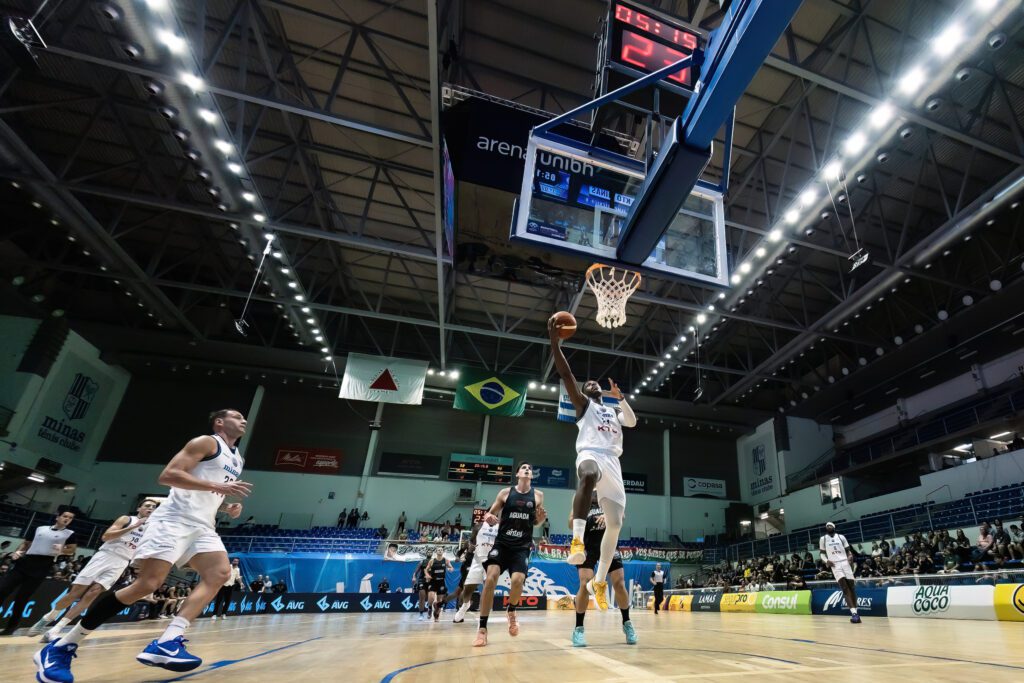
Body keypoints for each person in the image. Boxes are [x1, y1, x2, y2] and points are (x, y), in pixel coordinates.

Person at [35, 408, 251, 682]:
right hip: (173, 520)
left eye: (244, 418)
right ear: (220, 422)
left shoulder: (238, 459)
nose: (243, 420)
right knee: (147, 585)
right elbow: (168, 476)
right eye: (236, 416)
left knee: (219, 574)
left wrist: (228, 506)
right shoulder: (206, 442)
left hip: (203, 525)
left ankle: (168, 641)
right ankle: (63, 644)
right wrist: (216, 487)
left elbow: (208, 495)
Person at [548, 314, 637, 611]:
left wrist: (621, 398)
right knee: (586, 473)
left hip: (613, 464)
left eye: (593, 382)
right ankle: (576, 542)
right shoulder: (584, 407)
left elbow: (633, 421)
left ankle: (599, 581)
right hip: (590, 454)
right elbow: (566, 375)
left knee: (615, 523)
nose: (590, 383)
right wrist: (554, 343)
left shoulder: (612, 412)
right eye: (587, 383)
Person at [30, 500, 158, 641]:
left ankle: (55, 630)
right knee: (75, 593)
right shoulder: (127, 519)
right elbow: (106, 537)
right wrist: (133, 527)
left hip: (122, 562)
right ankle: (48, 617)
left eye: (153, 507)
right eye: (147, 506)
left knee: (93, 593)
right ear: (139, 508)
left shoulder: (152, 529)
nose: (150, 508)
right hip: (105, 555)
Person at [472, 462, 546, 647]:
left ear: (531, 476)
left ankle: (511, 610)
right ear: (518, 474)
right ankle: (482, 629)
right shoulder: (505, 493)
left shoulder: (538, 495)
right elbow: (489, 515)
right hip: (502, 544)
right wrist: (488, 517)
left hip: (521, 547)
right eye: (524, 468)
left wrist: (540, 520)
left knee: (517, 581)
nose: (527, 469)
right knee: (490, 580)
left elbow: (534, 522)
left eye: (530, 468)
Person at [571, 490, 636, 647]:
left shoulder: (609, 490)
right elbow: (569, 522)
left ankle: (627, 623)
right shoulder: (581, 494)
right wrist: (584, 519)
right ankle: (578, 629)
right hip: (588, 545)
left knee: (619, 582)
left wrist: (608, 517)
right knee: (584, 584)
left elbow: (623, 516)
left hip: (609, 542)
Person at [0, 510, 78, 636]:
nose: (67, 519)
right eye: (65, 516)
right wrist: (17, 552)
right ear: (57, 517)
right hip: (26, 561)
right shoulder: (40, 529)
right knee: (2, 590)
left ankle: (12, 626)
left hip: (43, 565)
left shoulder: (70, 534)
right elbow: (25, 543)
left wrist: (62, 550)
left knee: (22, 598)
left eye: (70, 518)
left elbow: (72, 550)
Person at [453, 519, 498, 624]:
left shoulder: (500, 527)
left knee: (487, 589)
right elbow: (472, 542)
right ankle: (465, 605)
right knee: (467, 588)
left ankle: (483, 622)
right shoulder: (478, 526)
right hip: (478, 560)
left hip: (492, 561)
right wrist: (472, 547)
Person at [819, 521, 860, 623]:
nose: (828, 526)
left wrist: (850, 556)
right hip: (835, 565)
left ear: (834, 527)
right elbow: (822, 554)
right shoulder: (823, 539)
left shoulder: (841, 537)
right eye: (827, 526)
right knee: (845, 588)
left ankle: (856, 612)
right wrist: (826, 561)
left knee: (852, 588)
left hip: (845, 562)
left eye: (830, 525)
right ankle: (854, 613)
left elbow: (848, 551)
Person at [426, 547, 453, 621]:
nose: (440, 551)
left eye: (441, 550)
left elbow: (451, 567)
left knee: (439, 601)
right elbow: (426, 569)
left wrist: (450, 569)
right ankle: (429, 608)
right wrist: (427, 575)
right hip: (433, 581)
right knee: (431, 597)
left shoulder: (446, 560)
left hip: (441, 582)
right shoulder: (432, 560)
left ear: (443, 552)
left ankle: (436, 616)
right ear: (436, 552)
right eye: (438, 550)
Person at [413, 556, 430, 620]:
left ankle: (429, 610)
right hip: (422, 581)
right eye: (428, 551)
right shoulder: (422, 562)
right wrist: (414, 577)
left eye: (431, 551)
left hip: (430, 581)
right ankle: (421, 614)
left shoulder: (434, 561)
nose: (429, 552)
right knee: (422, 597)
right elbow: (416, 572)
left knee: (428, 598)